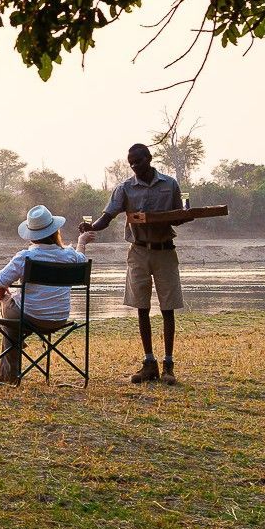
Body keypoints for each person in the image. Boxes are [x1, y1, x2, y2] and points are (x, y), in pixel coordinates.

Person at [79, 143, 190, 385]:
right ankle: (148, 362)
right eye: (131, 163)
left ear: (149, 159)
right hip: (139, 251)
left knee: (167, 307)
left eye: (138, 161)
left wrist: (185, 215)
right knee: (142, 307)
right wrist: (92, 227)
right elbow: (108, 217)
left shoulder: (169, 184)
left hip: (164, 250)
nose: (134, 166)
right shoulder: (125, 188)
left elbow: (178, 216)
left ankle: (168, 364)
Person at [0, 205, 94, 385]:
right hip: (59, 317)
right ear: (55, 230)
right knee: (13, 311)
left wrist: (3, 290)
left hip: (29, 318)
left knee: (9, 309)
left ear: (31, 235)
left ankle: (9, 374)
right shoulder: (69, 255)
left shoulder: (25, 257)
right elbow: (82, 261)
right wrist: (81, 242)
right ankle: (9, 364)